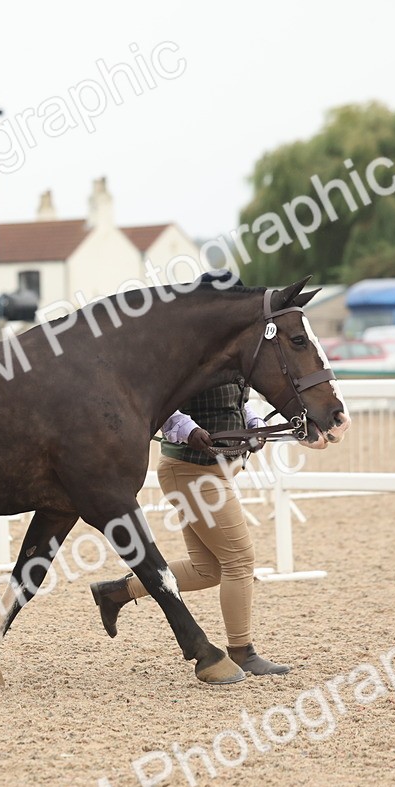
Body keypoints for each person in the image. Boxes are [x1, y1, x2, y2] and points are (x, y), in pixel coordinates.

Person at [88, 272, 290, 676]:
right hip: (192, 469)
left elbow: (238, 398)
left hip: (210, 469)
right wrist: (188, 429)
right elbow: (158, 402)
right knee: (239, 561)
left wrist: (252, 422)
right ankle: (241, 651)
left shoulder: (229, 348)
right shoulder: (181, 348)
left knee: (208, 568)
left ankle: (117, 592)